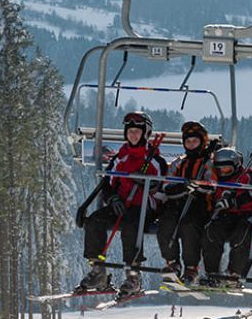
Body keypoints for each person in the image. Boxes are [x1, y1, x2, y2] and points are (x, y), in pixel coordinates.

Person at [77, 111, 168, 296]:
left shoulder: (155, 160)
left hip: (144, 207)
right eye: (130, 131)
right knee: (94, 221)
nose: (133, 135)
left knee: (131, 224)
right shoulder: (120, 158)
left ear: (145, 133)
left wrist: (150, 185)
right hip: (121, 204)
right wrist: (112, 198)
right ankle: (98, 270)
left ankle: (133, 275)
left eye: (137, 131)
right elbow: (108, 185)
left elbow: (165, 189)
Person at [155, 121, 218, 284]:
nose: (191, 145)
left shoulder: (208, 163)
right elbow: (167, 183)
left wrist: (198, 187)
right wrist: (180, 187)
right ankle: (172, 262)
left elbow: (213, 185)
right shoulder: (180, 162)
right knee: (166, 224)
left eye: (194, 141)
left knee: (189, 227)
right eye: (188, 142)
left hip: (199, 206)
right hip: (178, 202)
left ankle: (191, 268)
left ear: (202, 142)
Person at [200, 147, 252, 288]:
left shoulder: (248, 176)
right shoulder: (215, 178)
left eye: (226, 169)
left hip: (246, 214)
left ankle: (234, 274)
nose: (222, 173)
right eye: (219, 169)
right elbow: (210, 194)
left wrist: (235, 201)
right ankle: (212, 273)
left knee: (241, 237)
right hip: (225, 214)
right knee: (211, 233)